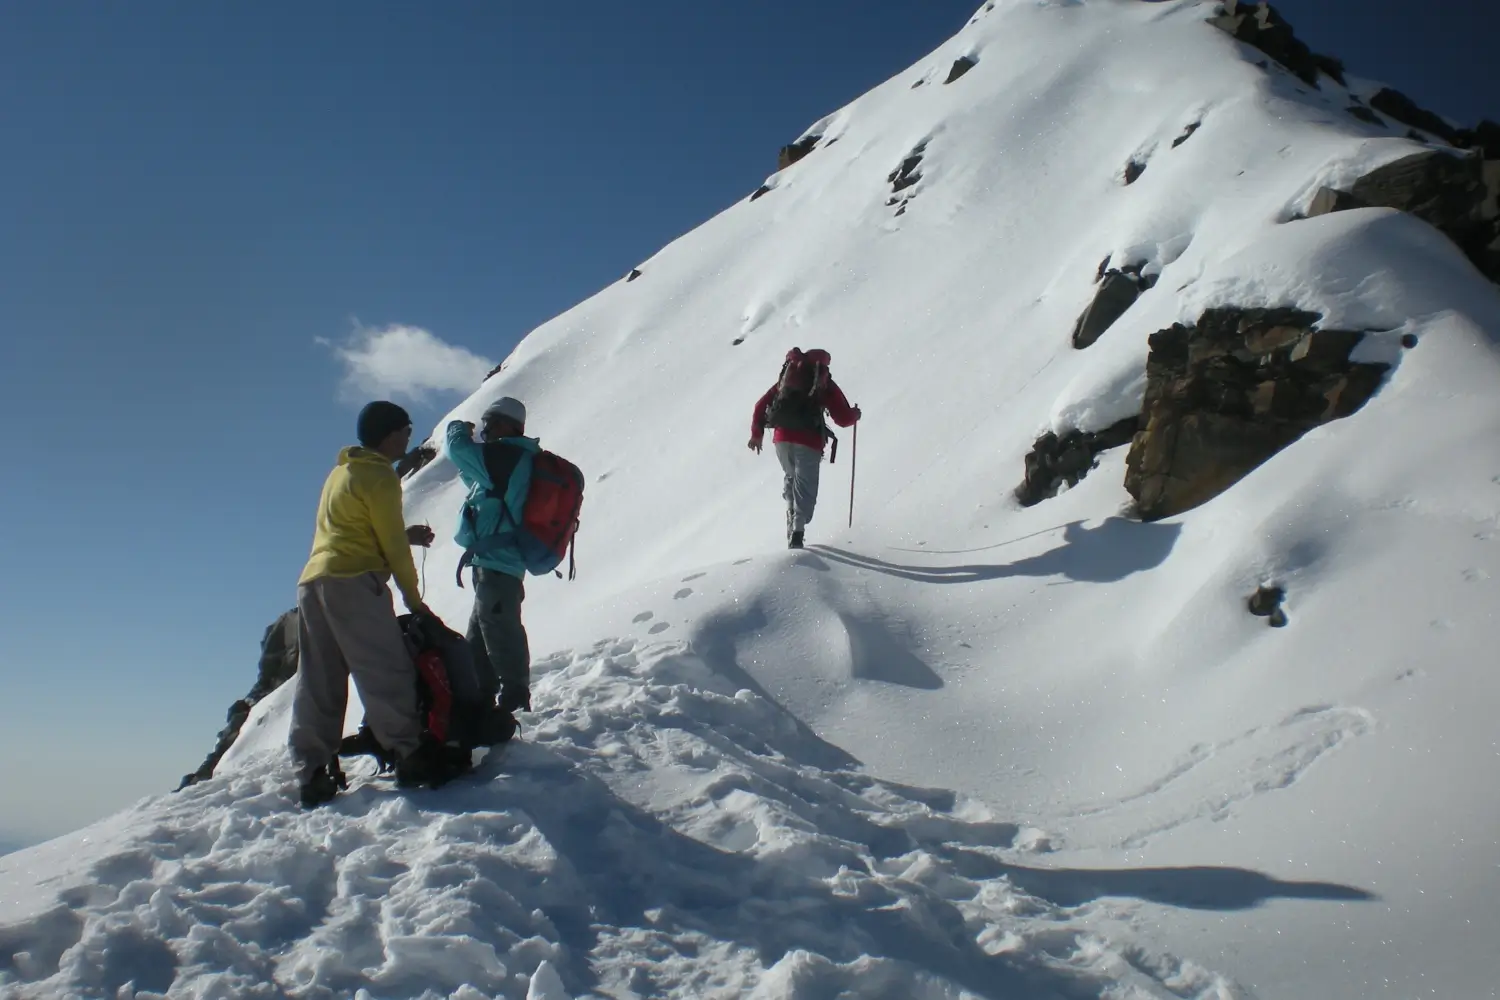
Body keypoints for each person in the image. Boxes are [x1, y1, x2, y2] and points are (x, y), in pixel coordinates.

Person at [288, 400, 450, 807]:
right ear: (391, 433)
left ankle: (312, 772)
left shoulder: (342, 472)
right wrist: (414, 600)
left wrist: (404, 534)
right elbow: (392, 547)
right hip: (355, 580)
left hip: (313, 582)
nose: (410, 436)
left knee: (319, 679)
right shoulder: (380, 475)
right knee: (383, 666)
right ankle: (410, 754)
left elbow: (352, 528)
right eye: (406, 429)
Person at [443, 396, 538, 720]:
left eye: (491, 423)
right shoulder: (510, 459)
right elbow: (476, 480)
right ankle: (478, 701)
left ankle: (514, 696)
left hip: (499, 561)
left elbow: (459, 452)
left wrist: (457, 428)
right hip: (494, 562)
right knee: (480, 637)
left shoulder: (506, 455)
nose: (485, 431)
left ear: (509, 424)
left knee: (498, 626)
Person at [748, 348, 860, 548]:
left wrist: (757, 434)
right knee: (805, 485)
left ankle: (791, 515)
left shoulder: (786, 380)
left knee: (791, 477)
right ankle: (798, 532)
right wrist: (855, 415)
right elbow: (842, 418)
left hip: (781, 439)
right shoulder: (823, 382)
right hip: (808, 440)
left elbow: (760, 405)